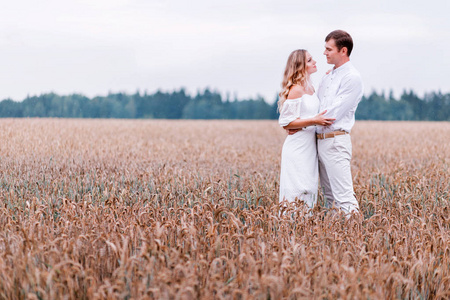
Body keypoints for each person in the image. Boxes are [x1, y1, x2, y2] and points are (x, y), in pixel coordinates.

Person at [314, 30, 364, 215]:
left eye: (329, 49)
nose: (324, 53)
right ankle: (338, 242)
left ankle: (358, 239)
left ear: (343, 51)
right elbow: (316, 103)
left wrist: (303, 121)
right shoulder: (328, 76)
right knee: (329, 198)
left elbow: (331, 114)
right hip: (319, 141)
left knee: (344, 197)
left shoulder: (352, 77)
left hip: (335, 140)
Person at [278, 49, 335, 208]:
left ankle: (304, 227)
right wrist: (313, 120)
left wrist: (333, 75)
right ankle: (290, 227)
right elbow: (286, 122)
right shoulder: (296, 89)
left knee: (309, 188)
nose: (315, 61)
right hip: (298, 146)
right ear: (300, 66)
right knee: (298, 189)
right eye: (310, 60)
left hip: (310, 147)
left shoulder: (312, 88)